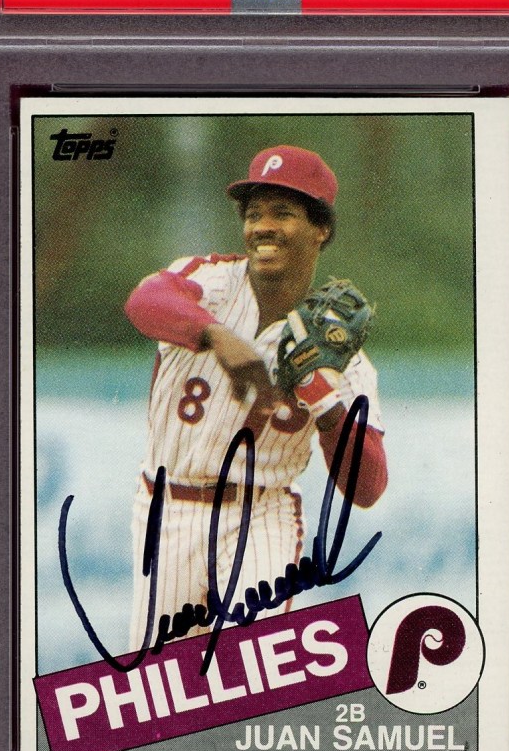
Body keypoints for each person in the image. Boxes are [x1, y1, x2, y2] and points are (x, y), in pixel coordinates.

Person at [124, 145, 388, 650]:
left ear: (320, 228)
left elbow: (369, 487)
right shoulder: (211, 282)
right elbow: (144, 301)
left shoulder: (343, 360)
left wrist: (325, 402)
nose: (262, 227)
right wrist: (218, 337)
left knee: (247, 667)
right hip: (167, 507)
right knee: (161, 682)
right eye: (253, 214)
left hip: (261, 513)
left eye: (282, 213)